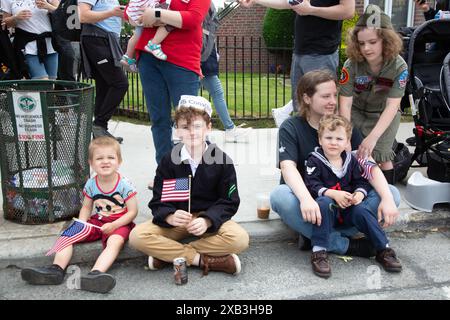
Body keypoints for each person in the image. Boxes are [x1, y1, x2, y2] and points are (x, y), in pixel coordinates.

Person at [270, 69, 401, 259]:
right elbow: (287, 167)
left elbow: (368, 163)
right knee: (279, 196)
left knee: (392, 194)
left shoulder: (343, 126)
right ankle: (345, 244)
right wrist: (306, 199)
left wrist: (387, 199)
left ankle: (314, 235)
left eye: (334, 95)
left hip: (348, 205)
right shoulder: (291, 127)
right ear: (307, 98)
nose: (333, 101)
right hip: (313, 202)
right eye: (325, 96)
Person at [129, 96, 249, 276]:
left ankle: (168, 255)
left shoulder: (222, 161)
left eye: (197, 126)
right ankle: (202, 260)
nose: (192, 132)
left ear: (208, 128)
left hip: (207, 221)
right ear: (177, 130)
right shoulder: (169, 160)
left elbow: (229, 201)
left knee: (240, 239)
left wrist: (207, 220)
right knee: (137, 237)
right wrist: (169, 216)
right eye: (185, 127)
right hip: (178, 220)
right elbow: (158, 200)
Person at [21, 137, 138, 294]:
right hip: (98, 220)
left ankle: (95, 274)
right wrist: (82, 223)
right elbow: (86, 207)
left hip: (120, 223)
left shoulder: (124, 184)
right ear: (91, 162)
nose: (105, 161)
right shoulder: (91, 183)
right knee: (67, 234)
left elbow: (133, 212)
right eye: (99, 158)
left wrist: (115, 225)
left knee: (115, 242)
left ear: (119, 161)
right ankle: (56, 270)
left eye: (111, 157)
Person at [304, 115, 402, 278]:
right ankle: (319, 251)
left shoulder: (351, 160)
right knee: (323, 202)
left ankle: (383, 249)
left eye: (339, 138)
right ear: (320, 140)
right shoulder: (314, 160)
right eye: (328, 137)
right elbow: (311, 185)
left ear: (347, 141)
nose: (333, 142)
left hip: (348, 209)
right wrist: (332, 193)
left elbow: (361, 182)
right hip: (328, 212)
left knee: (362, 210)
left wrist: (359, 194)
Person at [239, 0, 355, 124]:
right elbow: (288, 2)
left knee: (323, 115)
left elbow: (348, 10)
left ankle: (321, 143)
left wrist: (311, 10)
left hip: (322, 54)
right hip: (299, 52)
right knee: (301, 111)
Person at [338, 4, 408, 184]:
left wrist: (373, 138)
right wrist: (346, 134)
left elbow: (393, 105)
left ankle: (389, 197)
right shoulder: (351, 65)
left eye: (372, 42)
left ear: (386, 40)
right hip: (356, 111)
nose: (366, 48)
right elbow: (344, 103)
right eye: (361, 43)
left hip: (384, 114)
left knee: (382, 155)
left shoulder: (399, 67)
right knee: (349, 151)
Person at [136, 0, 210, 165]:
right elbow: (133, 11)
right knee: (159, 120)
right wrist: (172, 18)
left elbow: (192, 19)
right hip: (148, 59)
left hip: (183, 61)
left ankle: (193, 172)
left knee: (189, 121)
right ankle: (165, 172)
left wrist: (157, 14)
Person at [78, 0, 129, 143]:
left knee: (105, 85)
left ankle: (100, 133)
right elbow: (83, 16)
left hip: (106, 39)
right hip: (97, 39)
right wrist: (112, 13)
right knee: (120, 83)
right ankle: (99, 124)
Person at [201, 42, 251, 143]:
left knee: (189, 93)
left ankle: (180, 127)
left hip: (203, 59)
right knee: (215, 93)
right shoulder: (204, 27)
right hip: (202, 60)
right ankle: (230, 129)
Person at [1, 0, 60, 79]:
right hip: (27, 46)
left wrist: (48, 6)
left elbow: (62, 13)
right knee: (42, 80)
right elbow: (5, 23)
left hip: (50, 44)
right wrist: (16, 17)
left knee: (52, 80)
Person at [121, 0, 173, 72]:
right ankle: (153, 44)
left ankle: (127, 56)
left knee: (137, 35)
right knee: (169, 18)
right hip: (146, 8)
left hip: (135, 10)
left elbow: (127, 13)